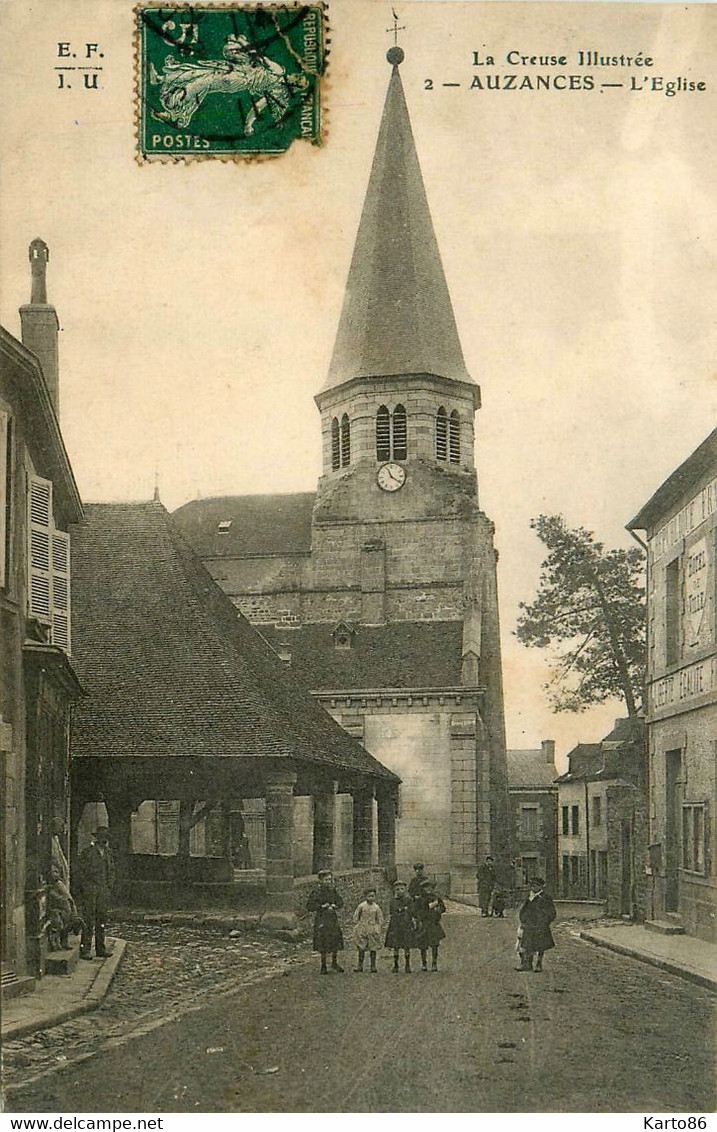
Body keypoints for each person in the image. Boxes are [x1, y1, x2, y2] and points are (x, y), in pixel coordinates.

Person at [75, 827, 114, 960]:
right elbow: (81, 872)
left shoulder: (108, 853)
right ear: (97, 839)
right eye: (101, 838)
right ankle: (85, 949)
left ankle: (100, 949)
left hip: (103, 890)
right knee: (88, 920)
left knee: (101, 919)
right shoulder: (88, 853)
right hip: (91, 890)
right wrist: (86, 887)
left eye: (105, 838)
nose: (103, 841)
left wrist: (109, 886)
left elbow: (111, 871)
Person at [306, 868, 344, 974]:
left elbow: (340, 901)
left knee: (335, 940)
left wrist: (335, 905)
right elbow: (309, 906)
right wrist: (322, 906)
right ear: (320, 881)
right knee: (323, 941)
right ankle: (323, 965)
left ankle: (334, 963)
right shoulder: (316, 893)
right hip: (322, 919)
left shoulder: (332, 891)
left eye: (330, 880)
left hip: (332, 918)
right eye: (326, 880)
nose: (328, 882)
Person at [516, 876, 556, 972]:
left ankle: (539, 964)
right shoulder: (530, 897)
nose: (533, 888)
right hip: (529, 925)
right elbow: (524, 910)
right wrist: (523, 920)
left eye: (535, 886)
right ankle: (527, 964)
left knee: (540, 946)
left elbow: (552, 912)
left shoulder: (546, 898)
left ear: (540, 887)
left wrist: (545, 921)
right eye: (532, 886)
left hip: (541, 926)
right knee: (527, 945)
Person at [47, 864, 84, 951]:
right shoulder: (51, 887)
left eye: (56, 872)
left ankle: (64, 942)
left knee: (68, 923)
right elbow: (58, 897)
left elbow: (67, 897)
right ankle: (57, 943)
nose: (55, 874)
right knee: (59, 924)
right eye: (53, 872)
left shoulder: (59, 884)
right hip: (58, 907)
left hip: (66, 907)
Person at [414, 879, 446, 971]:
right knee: (423, 945)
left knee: (434, 944)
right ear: (423, 889)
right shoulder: (420, 899)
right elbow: (417, 911)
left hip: (434, 924)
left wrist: (439, 909)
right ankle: (424, 963)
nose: (428, 889)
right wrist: (428, 908)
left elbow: (443, 908)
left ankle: (434, 963)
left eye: (430, 887)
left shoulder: (436, 897)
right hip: (424, 923)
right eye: (426, 888)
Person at [385, 879, 416, 973]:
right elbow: (393, 912)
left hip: (406, 925)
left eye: (402, 889)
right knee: (396, 946)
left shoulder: (409, 900)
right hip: (395, 925)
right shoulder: (393, 901)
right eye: (397, 889)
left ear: (405, 889)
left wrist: (403, 911)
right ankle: (396, 964)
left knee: (407, 945)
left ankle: (407, 965)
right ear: (394, 890)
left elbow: (412, 911)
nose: (400, 891)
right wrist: (403, 909)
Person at [352, 887, 385, 973]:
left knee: (373, 947)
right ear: (365, 897)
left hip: (372, 928)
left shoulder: (376, 907)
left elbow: (380, 918)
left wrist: (378, 927)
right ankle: (360, 966)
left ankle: (373, 966)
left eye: (373, 896)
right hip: (362, 927)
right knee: (361, 947)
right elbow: (356, 916)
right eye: (369, 896)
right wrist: (357, 924)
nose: (371, 898)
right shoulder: (361, 906)